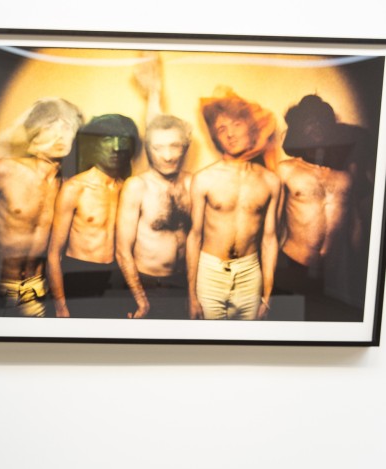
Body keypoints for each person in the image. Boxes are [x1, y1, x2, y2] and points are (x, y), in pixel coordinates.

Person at [0, 98, 83, 317]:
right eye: (50, 128)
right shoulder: (5, 170)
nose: (60, 137)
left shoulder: (67, 187)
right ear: (34, 132)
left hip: (37, 289)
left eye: (66, 128)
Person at [186, 89, 281, 320]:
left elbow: (270, 239)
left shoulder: (270, 180)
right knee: (208, 346)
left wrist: (268, 295)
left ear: (250, 126)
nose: (230, 134)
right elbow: (194, 236)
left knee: (248, 345)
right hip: (210, 272)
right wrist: (191, 296)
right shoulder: (203, 179)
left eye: (237, 124)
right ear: (215, 137)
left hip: (250, 271)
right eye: (221, 128)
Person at [47, 113, 140, 318]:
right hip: (79, 276)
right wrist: (61, 306)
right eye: (107, 139)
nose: (116, 147)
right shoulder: (75, 188)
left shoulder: (127, 189)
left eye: (122, 140)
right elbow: (54, 254)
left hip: (114, 278)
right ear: (95, 144)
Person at [273, 94, 356, 320]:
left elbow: (355, 227)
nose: (316, 128)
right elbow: (270, 229)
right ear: (299, 130)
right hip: (292, 267)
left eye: (321, 122)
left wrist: (355, 269)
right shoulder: (286, 170)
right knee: (285, 338)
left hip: (333, 274)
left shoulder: (345, 176)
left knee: (326, 339)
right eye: (309, 122)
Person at [115, 115, 193, 319]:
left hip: (183, 283)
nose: (168, 156)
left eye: (175, 146)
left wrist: (193, 293)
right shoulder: (137, 186)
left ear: (185, 147)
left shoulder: (192, 183)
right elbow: (122, 251)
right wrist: (141, 300)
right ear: (148, 149)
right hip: (146, 284)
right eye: (158, 148)